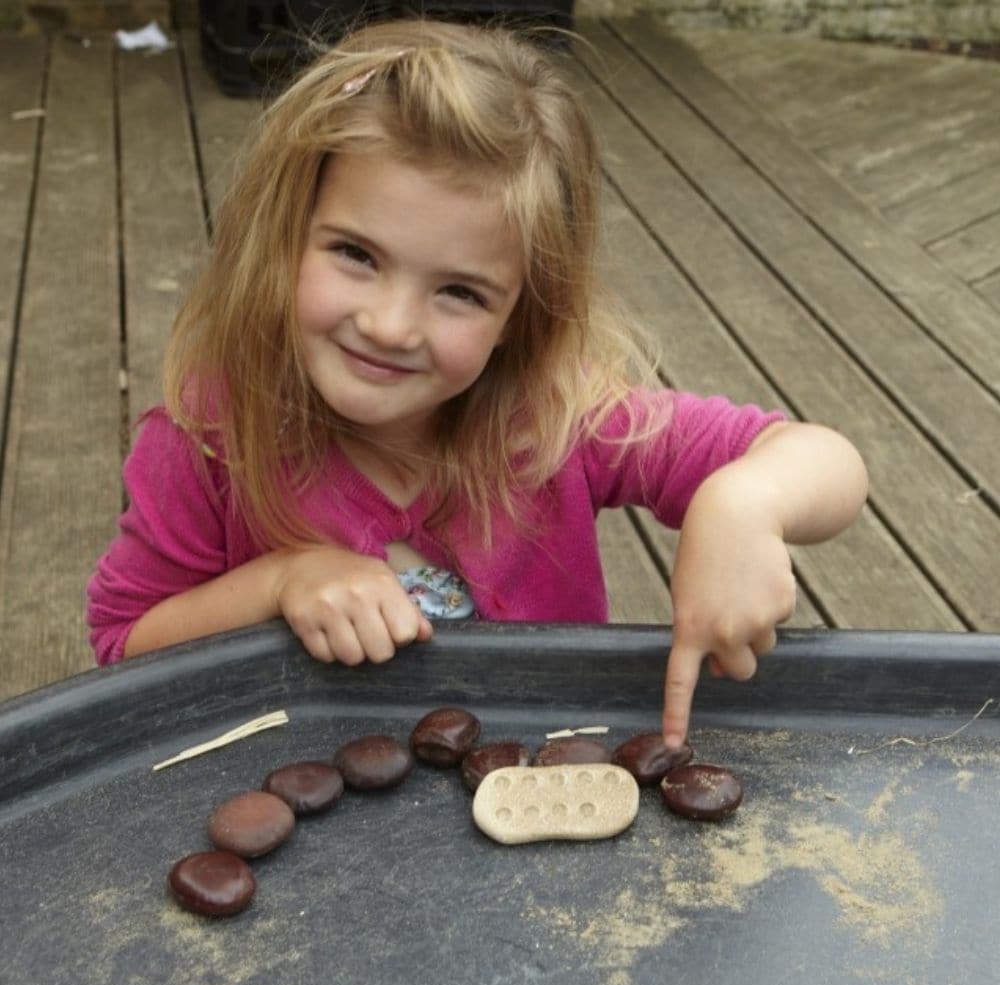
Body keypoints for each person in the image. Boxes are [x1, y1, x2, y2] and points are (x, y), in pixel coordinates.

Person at [86, 18, 868, 748]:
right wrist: (280, 580)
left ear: (520, 318)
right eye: (356, 254)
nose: (391, 325)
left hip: (544, 783)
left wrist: (747, 502)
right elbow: (124, 649)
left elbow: (822, 458)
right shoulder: (210, 438)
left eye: (460, 292)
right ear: (284, 234)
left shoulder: (560, 418)